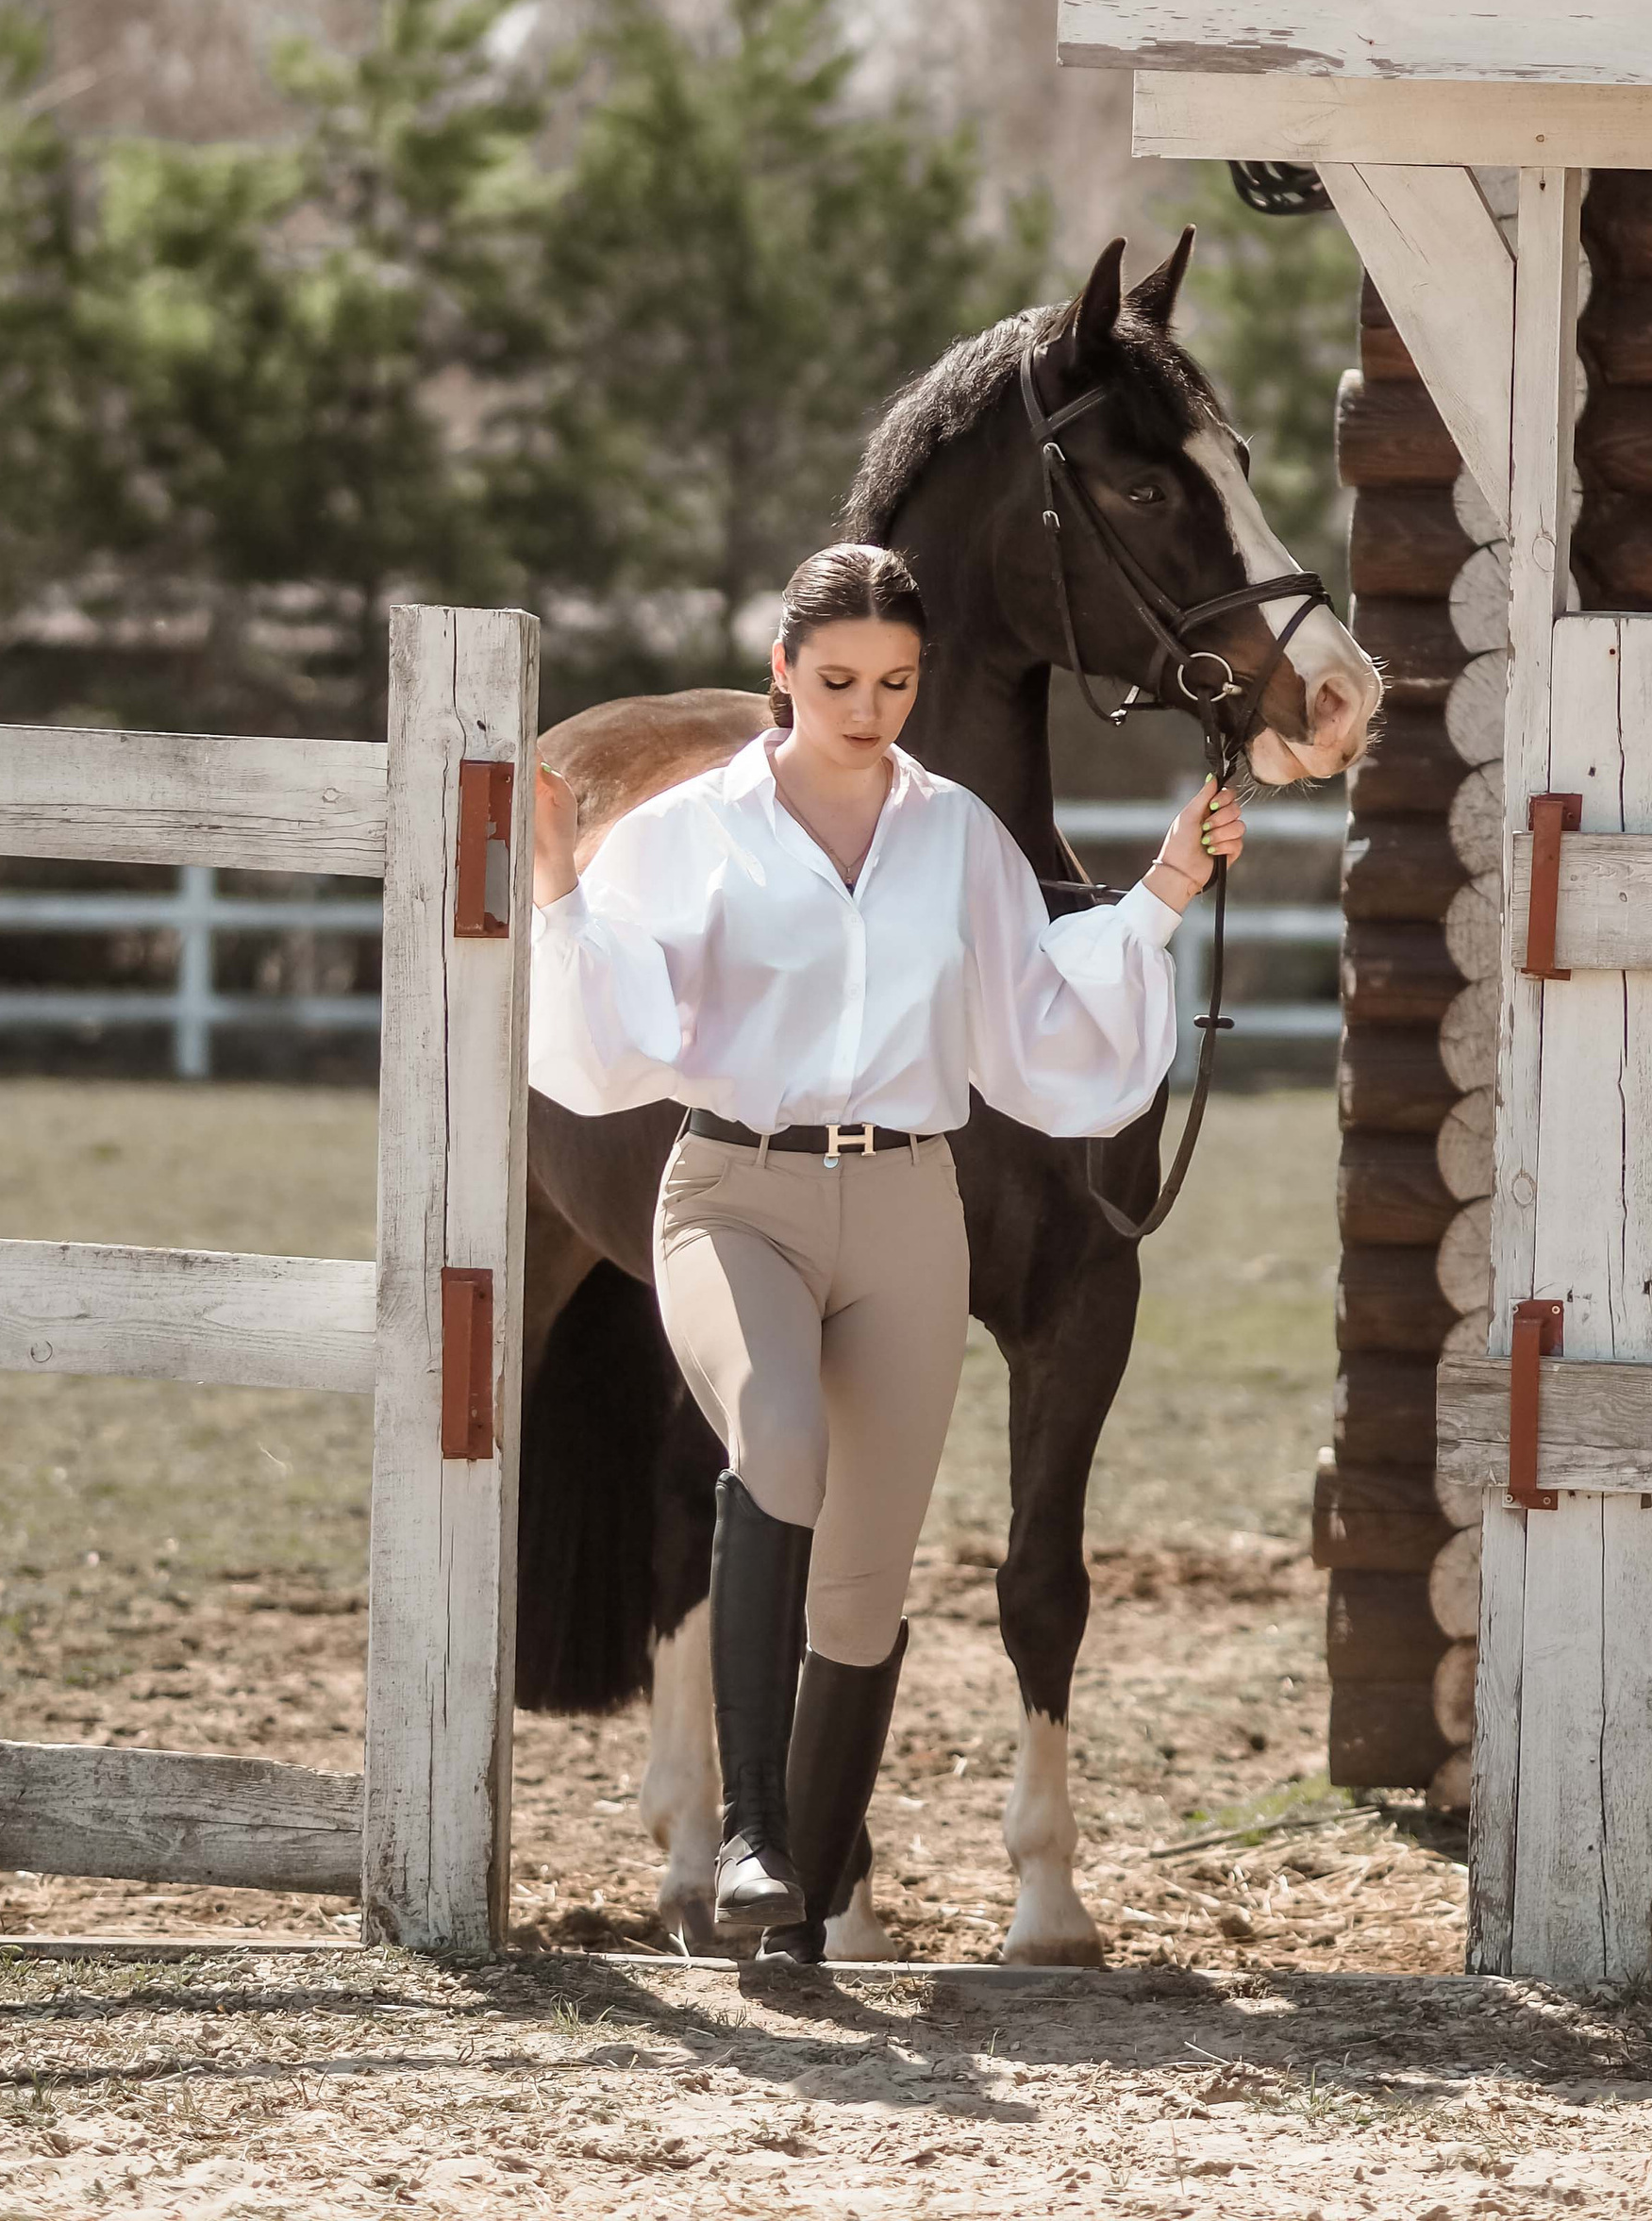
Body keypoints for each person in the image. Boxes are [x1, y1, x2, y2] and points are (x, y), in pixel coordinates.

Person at [526, 541, 1242, 1961]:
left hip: (910, 1207)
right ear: (783, 671)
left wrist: (1160, 888)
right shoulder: (695, 829)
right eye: (839, 679)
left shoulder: (957, 833)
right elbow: (605, 1011)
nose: (867, 709)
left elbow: (1033, 1016)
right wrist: (553, 874)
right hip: (736, 1190)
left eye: (896, 682)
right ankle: (753, 1832)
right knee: (778, 1441)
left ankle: (811, 1907)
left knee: (863, 1574)